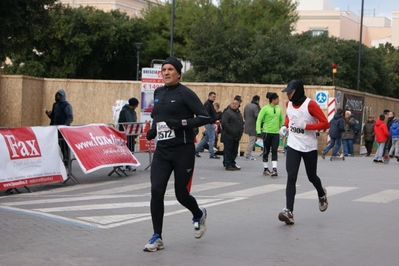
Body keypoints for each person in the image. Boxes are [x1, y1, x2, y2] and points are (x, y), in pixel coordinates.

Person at [143, 57, 210, 252]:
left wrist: (181, 124)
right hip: (162, 151)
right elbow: (158, 116)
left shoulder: (185, 93)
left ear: (179, 73)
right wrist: (153, 131)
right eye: (163, 69)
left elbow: (206, 117)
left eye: (170, 69)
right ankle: (157, 236)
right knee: (156, 191)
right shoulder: (158, 92)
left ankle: (198, 214)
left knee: (181, 194)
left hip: (183, 150)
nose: (166, 72)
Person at [278, 79, 329, 225]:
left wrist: (307, 126)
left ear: (298, 91)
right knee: (291, 176)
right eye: (287, 93)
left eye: (290, 93)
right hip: (294, 145)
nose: (288, 96)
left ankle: (321, 194)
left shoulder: (310, 105)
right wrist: (285, 126)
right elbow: (289, 116)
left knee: (311, 176)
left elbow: (325, 123)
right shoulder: (288, 104)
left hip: (309, 147)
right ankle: (289, 211)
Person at [256, 92, 284, 177]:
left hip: (275, 133)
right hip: (267, 132)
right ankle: (265, 168)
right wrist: (258, 131)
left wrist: (282, 128)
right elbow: (259, 119)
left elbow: (281, 119)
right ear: (273, 100)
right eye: (277, 99)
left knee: (275, 150)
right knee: (266, 150)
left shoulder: (278, 108)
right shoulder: (265, 108)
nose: (279, 100)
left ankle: (274, 169)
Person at [45, 89, 73, 166]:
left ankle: (67, 161)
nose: (58, 97)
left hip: (63, 129)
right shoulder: (55, 105)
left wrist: (65, 126)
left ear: (62, 96)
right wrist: (49, 114)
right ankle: (61, 160)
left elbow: (70, 117)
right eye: (57, 95)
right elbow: (53, 117)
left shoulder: (66, 105)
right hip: (55, 128)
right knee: (58, 145)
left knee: (64, 146)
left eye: (59, 95)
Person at [195, 92, 220, 159]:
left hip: (209, 123)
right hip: (209, 123)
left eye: (215, 97)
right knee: (212, 138)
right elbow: (206, 114)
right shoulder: (208, 104)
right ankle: (211, 153)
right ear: (209, 96)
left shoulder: (210, 104)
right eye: (213, 96)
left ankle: (196, 150)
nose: (214, 98)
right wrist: (211, 120)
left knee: (206, 138)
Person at [221, 99, 244, 171]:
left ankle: (232, 163)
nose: (234, 105)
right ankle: (228, 164)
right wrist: (232, 131)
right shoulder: (227, 113)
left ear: (238, 105)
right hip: (229, 135)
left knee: (234, 151)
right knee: (228, 150)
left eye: (236, 104)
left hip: (237, 136)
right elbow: (224, 123)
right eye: (233, 103)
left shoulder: (238, 113)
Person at [243, 95, 260, 160]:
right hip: (253, 125)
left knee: (250, 140)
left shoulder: (247, 105)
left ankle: (247, 153)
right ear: (258, 100)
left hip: (247, 125)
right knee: (252, 140)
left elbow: (244, 115)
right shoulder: (256, 107)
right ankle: (248, 154)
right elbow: (257, 116)